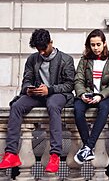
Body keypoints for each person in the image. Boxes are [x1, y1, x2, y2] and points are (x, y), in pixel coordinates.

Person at [0, 29, 75, 173]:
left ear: (51, 43)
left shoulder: (66, 59)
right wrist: (28, 89)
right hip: (37, 95)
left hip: (57, 95)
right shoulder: (32, 59)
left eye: (43, 48)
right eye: (38, 49)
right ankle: (11, 154)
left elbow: (69, 85)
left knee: (53, 105)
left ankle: (55, 155)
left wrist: (50, 89)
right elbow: (26, 80)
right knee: (16, 106)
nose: (41, 52)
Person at [73, 29, 109, 165]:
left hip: (105, 97)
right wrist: (82, 95)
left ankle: (88, 147)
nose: (95, 48)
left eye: (98, 44)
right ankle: (88, 147)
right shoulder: (85, 61)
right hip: (87, 95)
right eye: (92, 45)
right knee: (77, 109)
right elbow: (78, 80)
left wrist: (100, 95)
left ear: (104, 44)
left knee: (105, 108)